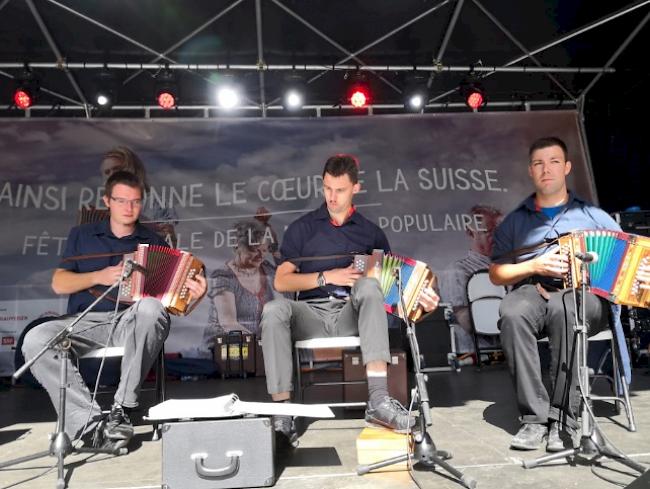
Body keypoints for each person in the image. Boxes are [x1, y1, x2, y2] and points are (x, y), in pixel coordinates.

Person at [260, 154, 439, 446]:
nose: (332, 197)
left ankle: (379, 402)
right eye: (327, 188)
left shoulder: (371, 233)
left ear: (356, 188)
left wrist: (422, 302)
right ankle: (282, 414)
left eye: (340, 190)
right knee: (273, 309)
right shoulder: (302, 228)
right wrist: (326, 277)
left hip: (352, 316)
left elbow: (390, 288)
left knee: (370, 286)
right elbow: (281, 281)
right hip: (311, 314)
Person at [22, 171, 207, 450]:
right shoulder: (81, 235)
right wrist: (100, 276)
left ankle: (122, 409)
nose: (129, 208)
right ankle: (90, 424)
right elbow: (60, 283)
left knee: (149, 307)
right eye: (121, 200)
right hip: (86, 322)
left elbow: (167, 309)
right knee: (35, 339)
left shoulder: (153, 241)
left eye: (135, 201)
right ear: (107, 200)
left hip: (132, 322)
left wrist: (195, 298)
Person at [489, 136, 629, 452]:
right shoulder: (515, 221)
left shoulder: (594, 215)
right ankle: (534, 419)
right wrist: (534, 265)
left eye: (553, 161)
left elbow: (628, 258)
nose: (546, 169)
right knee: (512, 311)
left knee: (566, 309)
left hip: (586, 297)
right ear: (530, 171)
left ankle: (564, 418)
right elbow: (497, 274)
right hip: (535, 290)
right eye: (538, 163)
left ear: (566, 167)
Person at [438, 204, 503, 354]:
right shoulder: (456, 271)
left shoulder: (509, 266)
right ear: (471, 233)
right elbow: (466, 321)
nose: (497, 237)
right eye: (489, 232)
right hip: (476, 354)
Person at [206, 219, 283, 338]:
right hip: (225, 348)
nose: (261, 256)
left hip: (262, 348)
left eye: (264, 250)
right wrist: (258, 344)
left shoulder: (268, 270)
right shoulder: (223, 276)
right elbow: (228, 323)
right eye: (254, 250)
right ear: (237, 246)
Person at [100, 146, 178, 246]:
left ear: (132, 169)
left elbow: (167, 239)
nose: (111, 175)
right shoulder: (103, 207)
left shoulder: (155, 202)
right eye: (107, 172)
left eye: (116, 169)